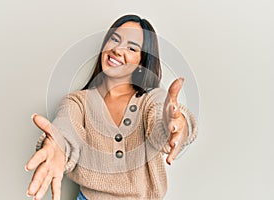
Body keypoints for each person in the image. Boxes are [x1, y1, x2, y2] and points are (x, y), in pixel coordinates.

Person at [25, 14, 198, 200]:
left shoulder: (152, 99)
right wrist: (56, 145)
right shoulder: (77, 102)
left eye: (131, 48)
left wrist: (177, 124)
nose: (117, 50)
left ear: (142, 62)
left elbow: (163, 124)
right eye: (114, 39)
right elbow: (66, 129)